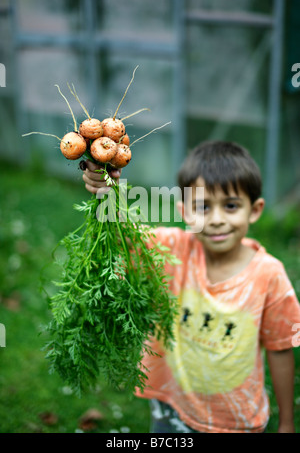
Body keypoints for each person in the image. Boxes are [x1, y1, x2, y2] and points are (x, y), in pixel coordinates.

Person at [82, 140, 300, 434]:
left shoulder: (269, 275)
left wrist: (287, 424)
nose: (217, 219)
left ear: (255, 209)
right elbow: (124, 238)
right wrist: (107, 191)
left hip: (235, 419)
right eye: (203, 207)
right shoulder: (173, 249)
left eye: (231, 206)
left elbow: (280, 348)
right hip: (172, 408)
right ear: (185, 212)